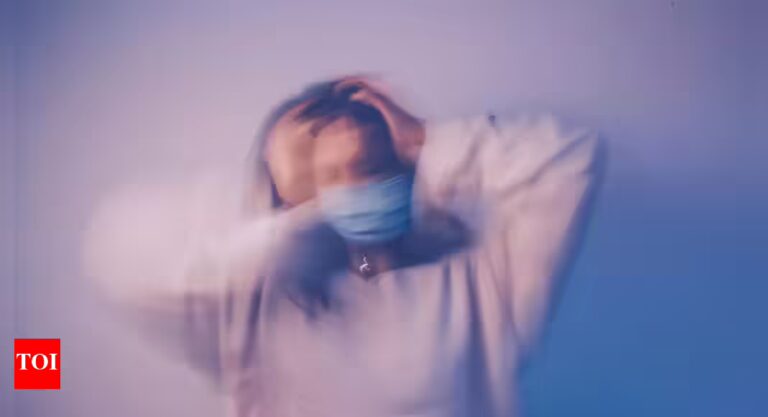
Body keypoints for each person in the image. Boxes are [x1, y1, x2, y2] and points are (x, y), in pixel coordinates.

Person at [83, 76, 602, 417]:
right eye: (322, 171)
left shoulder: (479, 279)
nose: (350, 184)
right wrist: (287, 230)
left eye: (369, 166)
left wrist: (425, 139)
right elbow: (119, 254)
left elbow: (570, 162)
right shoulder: (252, 297)